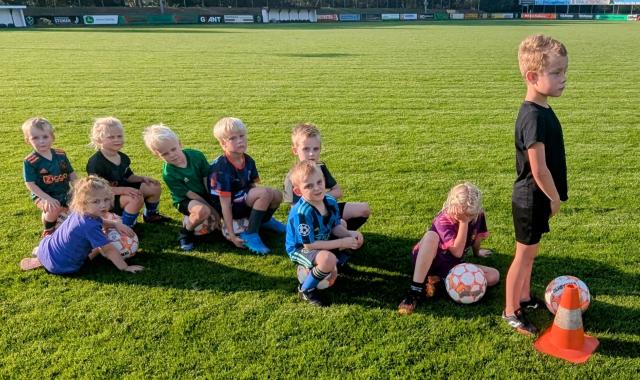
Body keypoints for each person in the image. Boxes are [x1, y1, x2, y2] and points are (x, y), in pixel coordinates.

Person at [503, 35, 569, 335]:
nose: (563, 79)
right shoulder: (532, 116)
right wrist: (554, 198)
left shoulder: (542, 108)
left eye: (564, 72)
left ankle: (525, 298)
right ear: (532, 76)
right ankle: (510, 310)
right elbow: (538, 168)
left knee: (532, 252)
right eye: (556, 73)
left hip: (538, 197)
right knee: (523, 255)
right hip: (532, 198)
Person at [398, 182, 499, 315]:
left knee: (493, 276)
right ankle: (415, 290)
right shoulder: (443, 219)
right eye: (462, 214)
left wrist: (477, 252)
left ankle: (437, 281)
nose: (467, 217)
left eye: (470, 215)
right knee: (431, 236)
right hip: (430, 261)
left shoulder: (477, 214)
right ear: (452, 205)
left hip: (453, 266)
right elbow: (457, 252)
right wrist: (464, 222)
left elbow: (477, 236)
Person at [19, 176, 144, 274]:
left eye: (106, 199)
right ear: (83, 203)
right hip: (64, 266)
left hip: (47, 247)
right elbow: (109, 249)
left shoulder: (79, 212)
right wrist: (125, 267)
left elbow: (98, 221)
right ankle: (50, 259)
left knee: (72, 240)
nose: (103, 205)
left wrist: (115, 224)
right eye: (96, 201)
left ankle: (42, 255)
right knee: (99, 246)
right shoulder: (89, 226)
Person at [285, 160, 364, 307]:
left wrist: (348, 235)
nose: (316, 188)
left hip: (322, 239)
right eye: (309, 186)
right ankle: (306, 289)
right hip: (299, 248)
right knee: (327, 259)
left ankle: (338, 264)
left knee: (354, 235)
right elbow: (309, 245)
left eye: (319, 182)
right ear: (298, 191)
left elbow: (335, 227)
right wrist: (341, 242)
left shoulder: (329, 201)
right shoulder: (302, 213)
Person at [209, 117, 285, 255]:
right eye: (233, 138)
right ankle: (251, 234)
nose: (240, 140)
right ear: (223, 143)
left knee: (277, 194)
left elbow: (252, 185)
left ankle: (264, 221)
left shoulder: (248, 159)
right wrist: (232, 234)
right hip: (228, 205)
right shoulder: (221, 168)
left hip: (242, 198)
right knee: (265, 193)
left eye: (242, 136)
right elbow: (224, 204)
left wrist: (265, 201)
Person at [143, 124, 219, 251]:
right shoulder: (169, 173)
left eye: (173, 149)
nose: (172, 155)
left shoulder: (196, 156)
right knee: (203, 211)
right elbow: (191, 195)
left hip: (204, 194)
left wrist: (215, 202)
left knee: (223, 205)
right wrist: (213, 211)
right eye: (165, 154)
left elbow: (207, 180)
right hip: (185, 200)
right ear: (157, 154)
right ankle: (186, 232)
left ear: (180, 143)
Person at [283, 122, 370, 232]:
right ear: (295, 150)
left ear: (320, 149)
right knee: (339, 225)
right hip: (310, 218)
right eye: (306, 149)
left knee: (364, 209)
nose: (311, 154)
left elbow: (338, 191)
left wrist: (318, 196)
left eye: (315, 149)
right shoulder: (292, 178)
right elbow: (295, 211)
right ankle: (334, 238)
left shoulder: (321, 167)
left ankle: (338, 234)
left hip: (328, 208)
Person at [86, 117, 168, 227]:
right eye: (111, 137)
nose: (117, 140)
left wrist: (142, 178)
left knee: (153, 186)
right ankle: (126, 227)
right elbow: (98, 190)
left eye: (119, 136)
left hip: (123, 190)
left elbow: (128, 176)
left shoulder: (122, 157)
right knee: (135, 198)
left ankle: (150, 215)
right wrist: (124, 190)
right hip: (106, 199)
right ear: (99, 140)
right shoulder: (96, 163)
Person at [21, 117, 77, 237]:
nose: (41, 141)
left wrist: (78, 188)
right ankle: (49, 231)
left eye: (45, 137)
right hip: (43, 195)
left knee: (77, 207)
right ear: (27, 140)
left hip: (63, 191)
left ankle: (68, 229)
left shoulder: (60, 155)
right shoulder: (31, 161)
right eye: (35, 138)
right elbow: (30, 184)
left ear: (52, 137)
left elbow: (71, 173)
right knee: (53, 208)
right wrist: (46, 199)